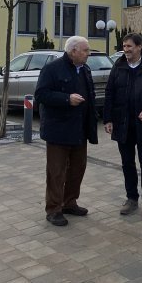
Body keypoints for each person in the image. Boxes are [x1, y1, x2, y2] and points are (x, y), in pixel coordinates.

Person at [34, 36, 98, 226]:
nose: (88, 54)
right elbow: (41, 95)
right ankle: (53, 209)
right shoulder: (52, 69)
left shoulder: (85, 70)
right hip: (58, 131)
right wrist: (66, 99)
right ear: (73, 51)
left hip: (80, 130)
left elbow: (91, 96)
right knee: (56, 172)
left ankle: (69, 202)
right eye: (85, 50)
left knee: (77, 169)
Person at [103, 33, 142, 221]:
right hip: (123, 124)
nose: (126, 49)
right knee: (127, 163)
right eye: (124, 46)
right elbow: (109, 92)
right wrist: (108, 119)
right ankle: (132, 199)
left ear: (139, 47)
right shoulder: (119, 65)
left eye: (130, 46)